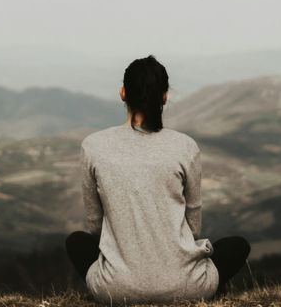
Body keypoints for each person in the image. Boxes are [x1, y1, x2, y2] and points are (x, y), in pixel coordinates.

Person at [65, 55, 251, 304]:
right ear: (164, 96)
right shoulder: (185, 146)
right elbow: (193, 227)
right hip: (187, 287)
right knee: (237, 245)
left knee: (76, 242)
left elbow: (95, 226)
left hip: (115, 290)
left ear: (122, 93)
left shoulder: (93, 146)